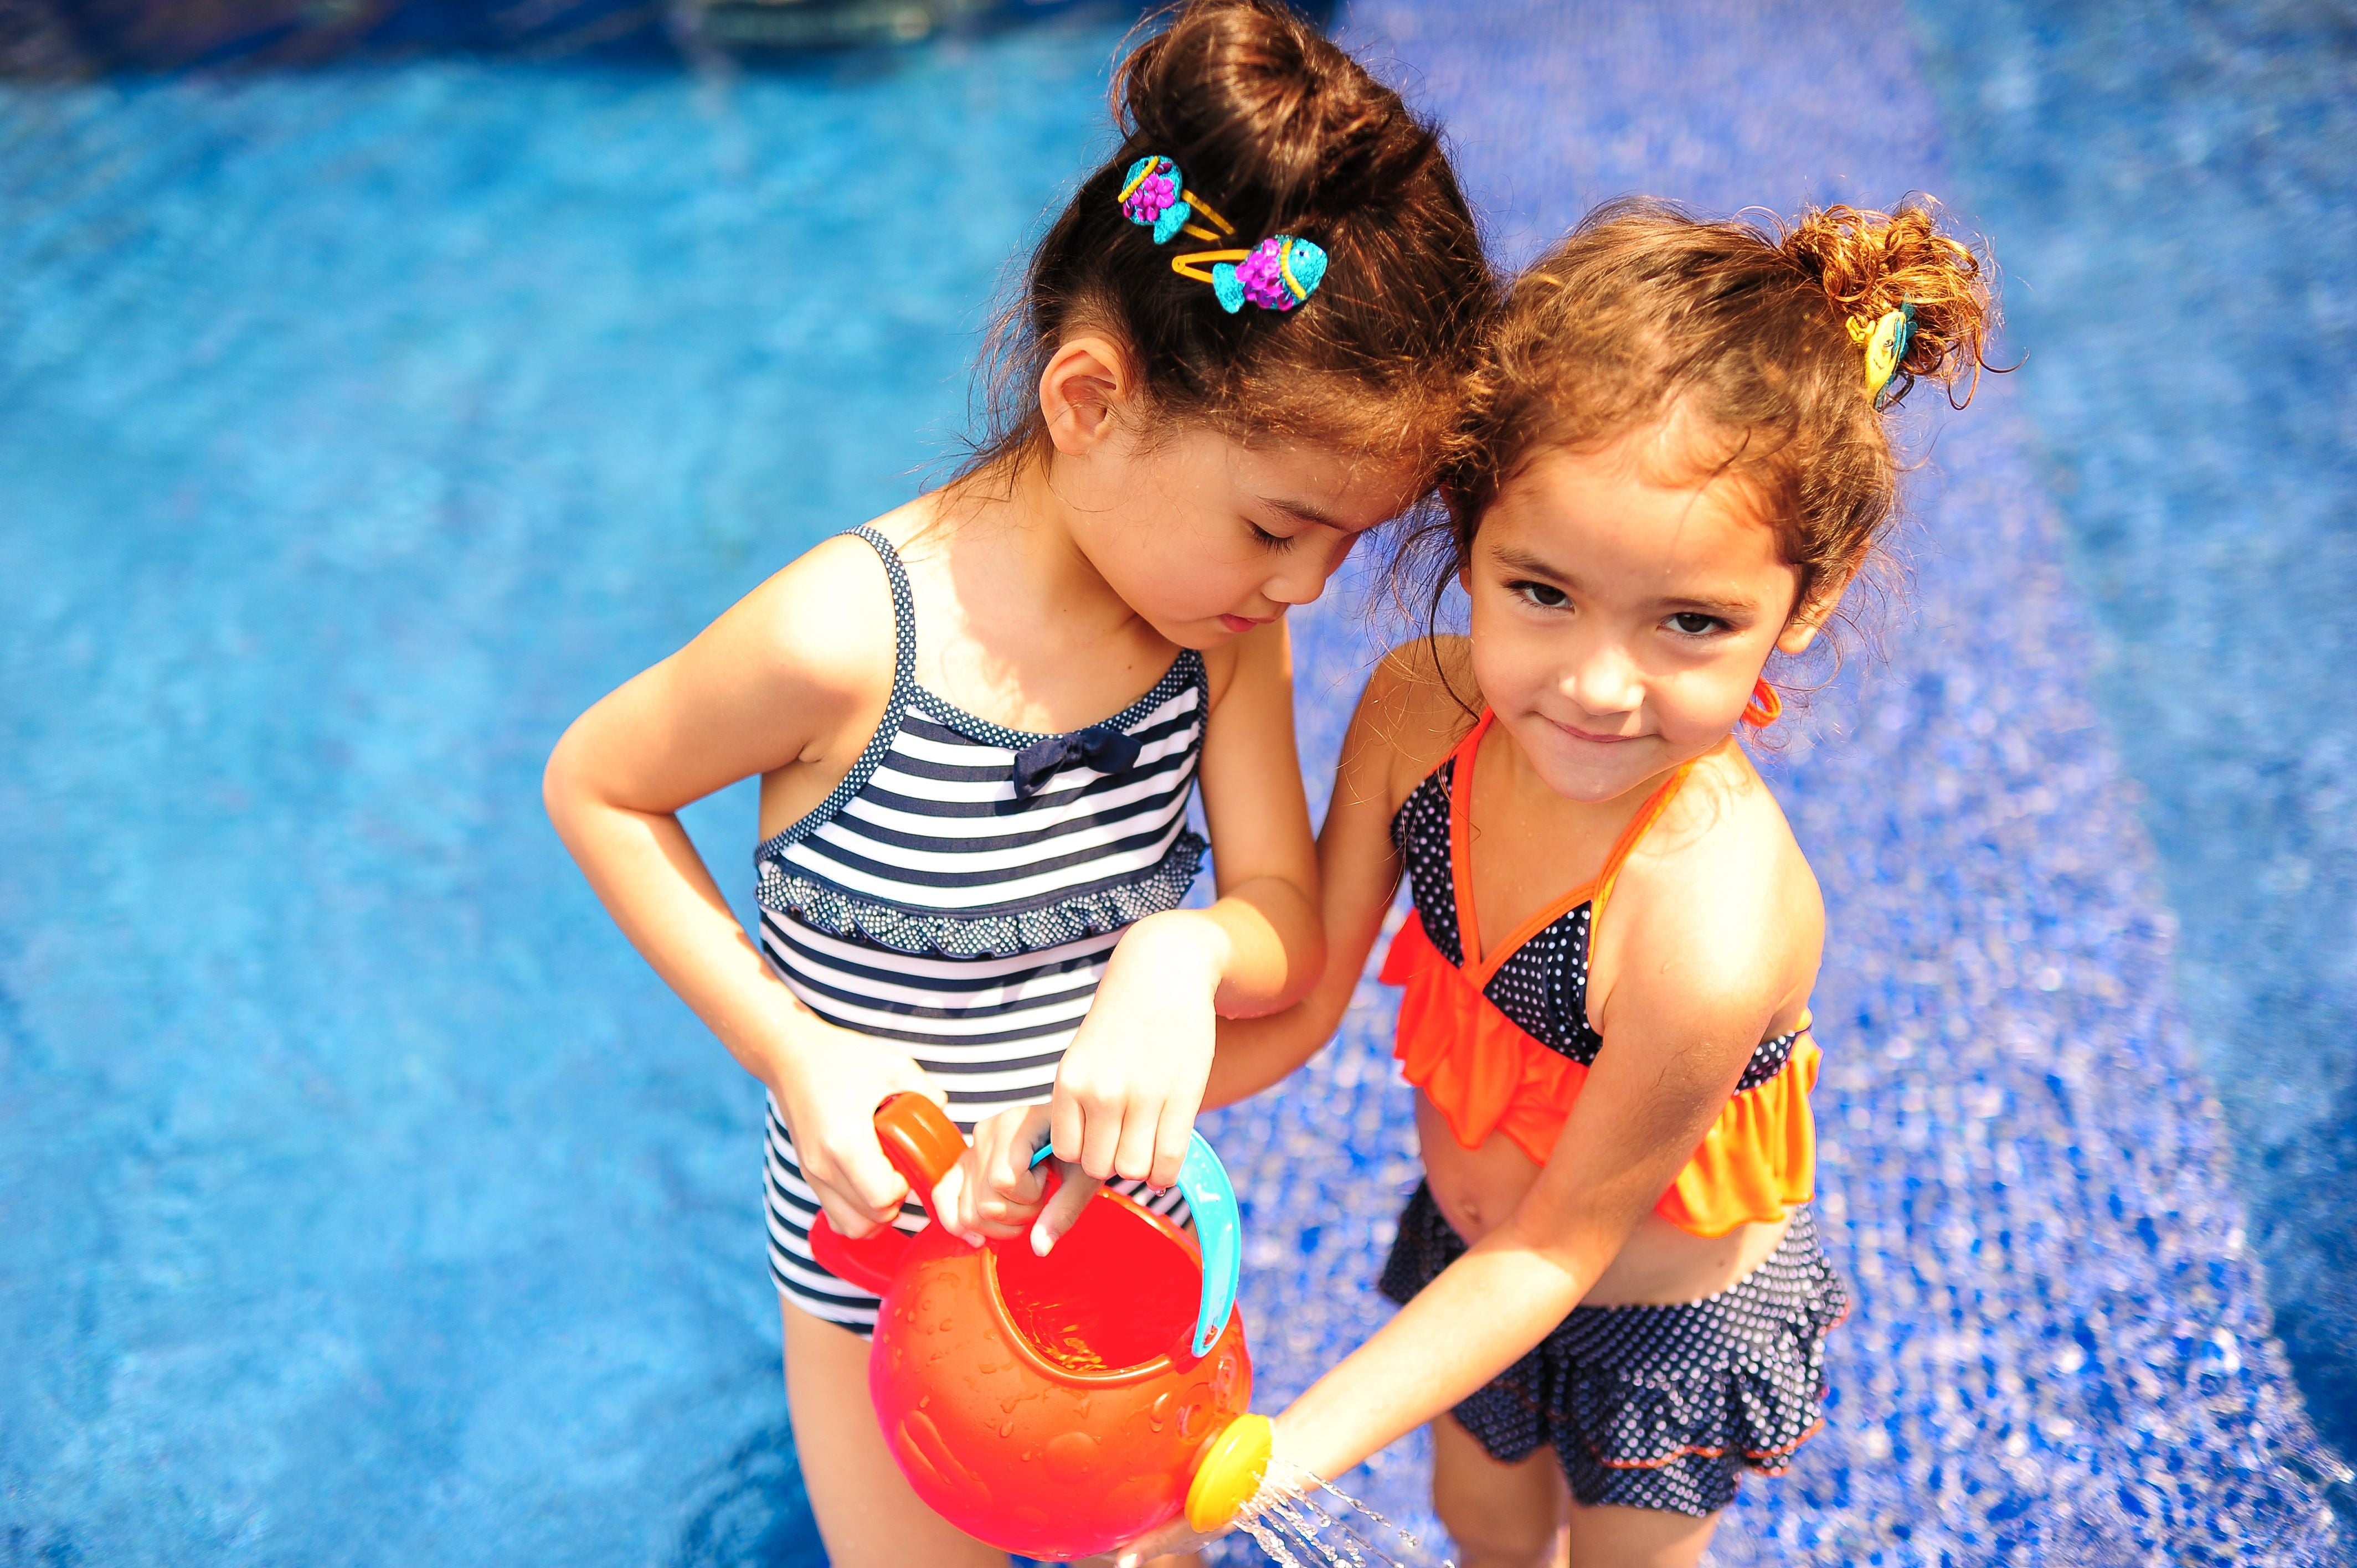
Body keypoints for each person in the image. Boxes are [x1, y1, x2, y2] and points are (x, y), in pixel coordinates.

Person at [541, 3, 1492, 1562]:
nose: (1308, 588)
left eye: (1346, 542)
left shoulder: (1217, 636)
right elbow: (598, 786)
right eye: (1277, 528)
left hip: (1112, 1256)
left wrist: (1180, 954)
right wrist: (794, 1053)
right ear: (1090, 403)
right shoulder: (847, 640)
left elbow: (1280, 924)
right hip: (879, 1266)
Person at [1083, 197, 1995, 1567]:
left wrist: (1266, 1460)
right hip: (1473, 1259)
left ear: (1809, 597)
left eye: (1691, 623)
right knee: (1483, 1528)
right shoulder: (1416, 717)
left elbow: (1559, 1250)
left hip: (1656, 1313)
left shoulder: (1705, 927)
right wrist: (1092, 1101)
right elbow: (1308, 1000)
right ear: (1469, 525)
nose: (1596, 686)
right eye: (1542, 594)